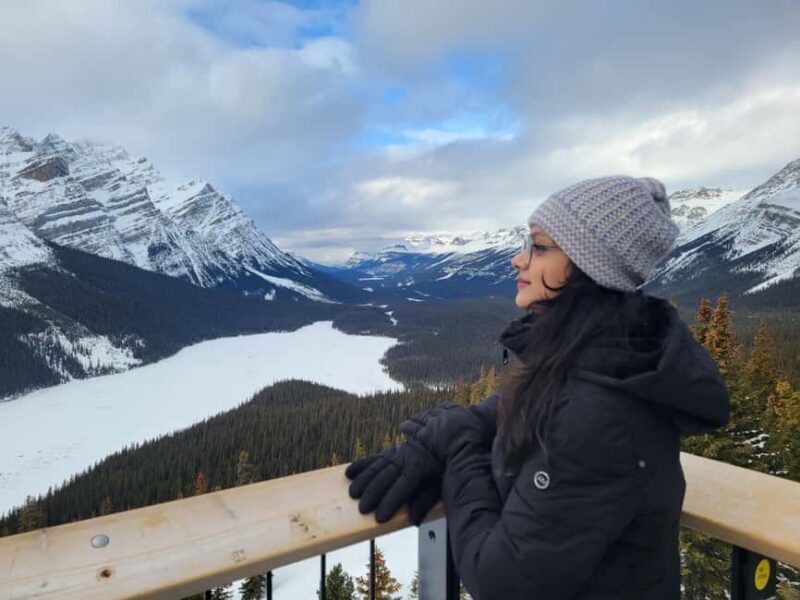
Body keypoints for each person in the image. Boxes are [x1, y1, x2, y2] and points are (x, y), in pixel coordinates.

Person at [345, 176, 731, 599]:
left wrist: (457, 447)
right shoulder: (601, 356)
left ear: (589, 267)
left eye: (540, 247)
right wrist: (442, 433)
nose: (518, 259)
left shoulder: (602, 415)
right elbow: (516, 407)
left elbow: (501, 582)